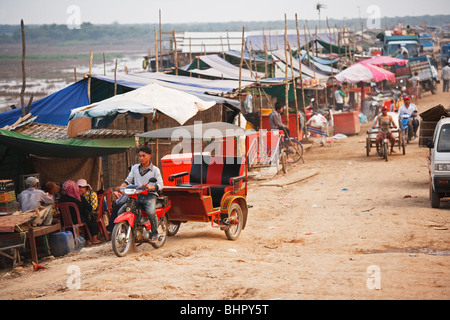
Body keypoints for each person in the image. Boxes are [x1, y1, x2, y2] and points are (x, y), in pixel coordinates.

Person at [116, 147, 164, 242]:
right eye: (139, 156)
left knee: (150, 212)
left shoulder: (155, 170)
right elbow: (128, 180)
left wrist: (150, 187)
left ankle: (154, 234)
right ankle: (129, 233)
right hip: (137, 195)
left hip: (150, 195)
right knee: (121, 211)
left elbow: (160, 185)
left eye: (143, 156)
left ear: (149, 156)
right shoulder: (135, 168)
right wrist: (121, 188)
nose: (141, 158)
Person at [59, 180, 101, 245]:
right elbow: (90, 208)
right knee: (91, 218)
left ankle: (85, 239)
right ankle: (94, 239)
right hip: (77, 220)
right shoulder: (79, 198)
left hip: (64, 221)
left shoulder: (61, 199)